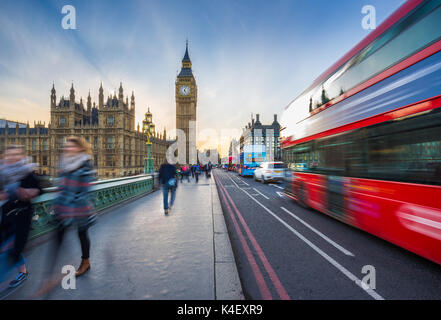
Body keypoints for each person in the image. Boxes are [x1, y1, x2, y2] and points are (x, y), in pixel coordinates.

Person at [0, 145, 42, 289]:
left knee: (11, 247)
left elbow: (39, 188)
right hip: (6, 214)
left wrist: (26, 192)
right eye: (9, 154)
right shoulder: (2, 172)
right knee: (8, 244)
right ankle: (22, 271)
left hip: (21, 215)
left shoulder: (27, 173)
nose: (12, 157)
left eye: (15, 154)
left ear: (21, 156)